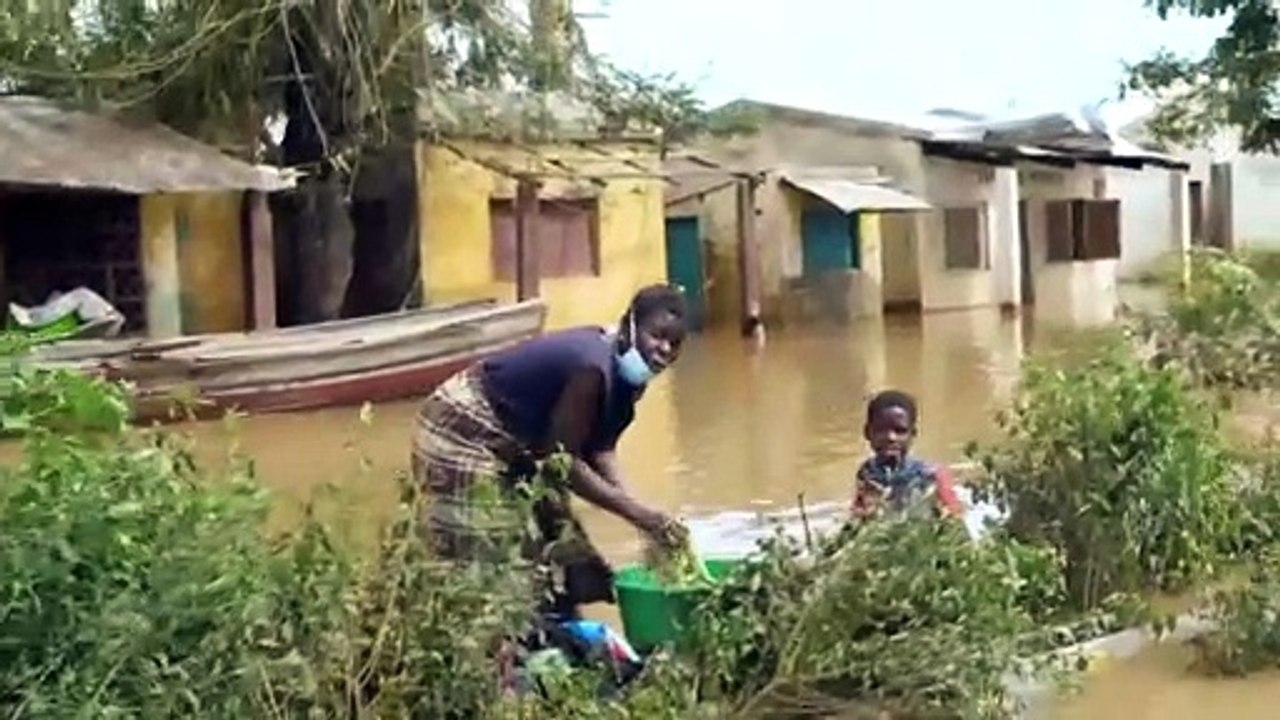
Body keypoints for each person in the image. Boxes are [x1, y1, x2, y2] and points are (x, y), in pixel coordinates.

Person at [411, 284, 687, 613]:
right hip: (464, 431)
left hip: (522, 440)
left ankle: (554, 625)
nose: (664, 350)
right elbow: (561, 463)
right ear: (630, 324)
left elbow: (600, 450)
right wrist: (640, 515)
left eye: (674, 344)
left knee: (557, 543)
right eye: (657, 336)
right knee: (488, 552)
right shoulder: (591, 370)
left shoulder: (629, 377)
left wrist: (642, 515)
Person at [850, 390, 964, 520]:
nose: (891, 437)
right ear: (867, 433)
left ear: (912, 434)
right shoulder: (868, 471)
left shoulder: (931, 475)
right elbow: (859, 516)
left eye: (900, 431)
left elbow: (955, 520)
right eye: (881, 430)